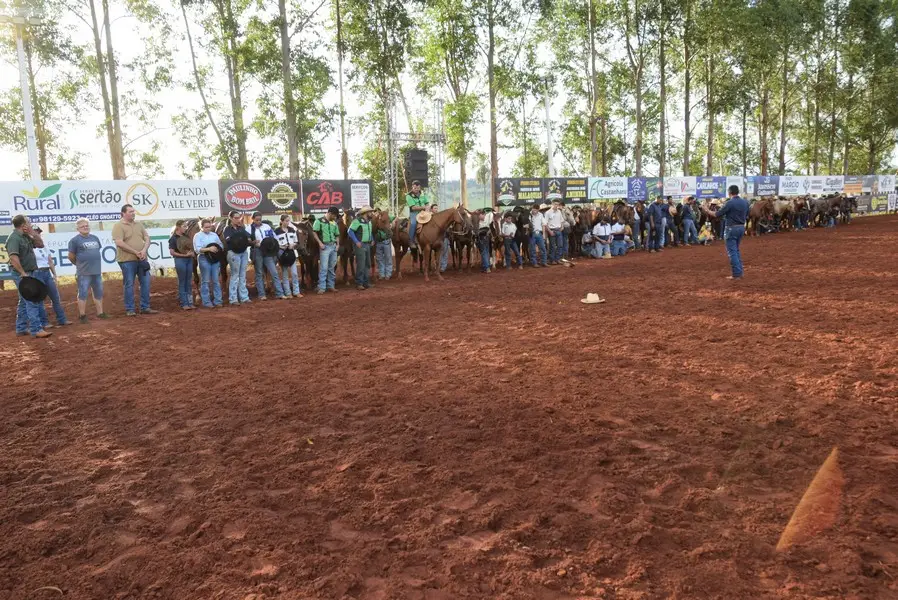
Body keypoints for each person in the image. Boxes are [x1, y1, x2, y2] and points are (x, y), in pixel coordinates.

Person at [7, 215, 52, 338]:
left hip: (29, 272)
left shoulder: (26, 236)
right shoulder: (14, 238)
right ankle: (35, 329)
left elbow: (40, 244)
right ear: (23, 225)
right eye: (29, 223)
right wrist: (23, 273)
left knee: (24, 301)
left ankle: (20, 328)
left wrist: (32, 232)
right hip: (22, 274)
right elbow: (13, 257)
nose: (31, 224)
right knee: (32, 299)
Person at [112, 204, 157, 316]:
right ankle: (130, 309)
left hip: (141, 259)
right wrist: (135, 252)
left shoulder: (139, 224)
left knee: (146, 283)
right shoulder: (118, 226)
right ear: (123, 213)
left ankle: (145, 307)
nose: (133, 213)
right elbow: (119, 243)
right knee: (129, 284)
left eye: (133, 211)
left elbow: (147, 238)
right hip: (127, 260)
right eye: (130, 211)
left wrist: (144, 250)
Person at [702, 184, 750, 280]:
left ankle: (736, 274)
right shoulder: (745, 202)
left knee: (732, 252)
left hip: (731, 228)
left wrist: (706, 210)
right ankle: (739, 272)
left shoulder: (729, 203)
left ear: (729, 192)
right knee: (736, 250)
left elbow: (716, 214)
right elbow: (747, 215)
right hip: (741, 227)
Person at [68, 219, 108, 322]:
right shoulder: (74, 240)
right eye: (83, 226)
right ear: (78, 229)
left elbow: (96, 251)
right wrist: (79, 265)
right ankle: (82, 315)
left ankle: (100, 313)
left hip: (96, 271)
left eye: (87, 225)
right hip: (83, 272)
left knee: (98, 292)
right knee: (83, 293)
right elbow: (71, 256)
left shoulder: (95, 238)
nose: (85, 227)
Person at [32, 226, 70, 328]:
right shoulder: (29, 247)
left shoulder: (44, 246)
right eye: (35, 232)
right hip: (36, 272)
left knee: (55, 297)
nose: (37, 234)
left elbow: (50, 261)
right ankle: (44, 322)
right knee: (40, 299)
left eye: (38, 232)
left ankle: (62, 319)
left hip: (46, 272)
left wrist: (54, 274)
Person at [248, 211, 286, 300]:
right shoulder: (249, 228)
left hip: (268, 251)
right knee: (259, 273)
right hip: (257, 250)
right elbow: (247, 240)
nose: (259, 221)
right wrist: (252, 242)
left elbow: (274, 237)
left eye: (260, 220)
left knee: (274, 272)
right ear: (252, 219)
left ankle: (279, 293)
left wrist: (277, 245)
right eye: (257, 220)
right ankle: (262, 294)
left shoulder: (267, 226)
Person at [193, 218, 224, 308]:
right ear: (201, 227)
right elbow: (197, 249)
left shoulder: (214, 235)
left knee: (216, 280)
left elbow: (220, 245)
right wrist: (209, 249)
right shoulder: (197, 236)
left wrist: (217, 248)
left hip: (214, 258)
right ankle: (206, 302)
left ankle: (218, 301)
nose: (208, 229)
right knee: (205, 281)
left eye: (209, 227)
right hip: (204, 258)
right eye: (206, 227)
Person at [222, 211, 252, 305]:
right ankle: (233, 298)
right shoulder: (227, 229)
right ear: (230, 218)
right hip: (233, 253)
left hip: (243, 252)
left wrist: (249, 240)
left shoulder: (241, 228)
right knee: (235, 275)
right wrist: (243, 239)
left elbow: (249, 237)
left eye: (238, 217)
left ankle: (244, 297)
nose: (237, 219)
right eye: (235, 218)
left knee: (242, 275)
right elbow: (228, 240)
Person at [313, 206, 341, 294]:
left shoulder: (334, 223)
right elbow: (314, 232)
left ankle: (331, 286)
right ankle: (321, 287)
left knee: (331, 267)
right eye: (335, 215)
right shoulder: (319, 221)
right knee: (324, 267)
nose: (335, 217)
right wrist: (320, 243)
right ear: (330, 213)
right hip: (324, 246)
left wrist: (338, 244)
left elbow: (337, 235)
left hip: (333, 246)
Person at [169, 220, 195, 310]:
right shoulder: (173, 238)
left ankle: (190, 302)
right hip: (180, 260)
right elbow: (172, 252)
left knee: (188, 281)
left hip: (188, 260)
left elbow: (191, 247)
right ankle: (184, 303)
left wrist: (191, 253)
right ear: (178, 227)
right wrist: (185, 255)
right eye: (184, 226)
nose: (186, 228)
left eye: (186, 226)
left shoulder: (186, 236)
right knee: (183, 281)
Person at [275, 214, 303, 298]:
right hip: (282, 253)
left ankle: (296, 291)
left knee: (294, 273)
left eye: (288, 221)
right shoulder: (276, 231)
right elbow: (275, 243)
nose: (288, 223)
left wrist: (293, 245)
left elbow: (296, 241)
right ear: (281, 221)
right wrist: (281, 246)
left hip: (291, 253)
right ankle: (288, 292)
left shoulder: (292, 230)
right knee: (285, 274)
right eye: (286, 221)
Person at [348, 206, 375, 290]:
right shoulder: (357, 221)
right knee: (361, 264)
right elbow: (350, 231)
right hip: (361, 245)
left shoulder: (369, 222)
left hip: (367, 244)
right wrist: (356, 242)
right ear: (366, 213)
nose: (372, 213)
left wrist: (372, 239)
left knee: (367, 264)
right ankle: (359, 283)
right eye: (370, 212)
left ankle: (365, 282)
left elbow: (370, 232)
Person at [405, 180, 428, 249]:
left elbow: (427, 203)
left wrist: (428, 207)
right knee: (413, 223)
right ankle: (410, 240)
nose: (416, 189)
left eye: (418, 188)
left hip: (424, 212)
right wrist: (423, 207)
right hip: (414, 213)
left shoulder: (422, 194)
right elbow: (413, 207)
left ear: (420, 187)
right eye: (415, 188)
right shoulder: (408, 196)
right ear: (412, 187)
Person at [374, 210, 394, 280]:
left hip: (385, 241)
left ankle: (387, 274)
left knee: (387, 258)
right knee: (380, 259)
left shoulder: (386, 217)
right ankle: (383, 274)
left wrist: (393, 223)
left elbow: (395, 218)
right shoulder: (376, 220)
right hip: (380, 241)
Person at [545, 199, 564, 264]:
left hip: (558, 230)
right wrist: (550, 231)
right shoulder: (548, 212)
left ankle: (557, 259)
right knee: (552, 246)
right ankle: (552, 260)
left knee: (560, 245)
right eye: (555, 204)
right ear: (552, 204)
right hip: (552, 230)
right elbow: (545, 224)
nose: (556, 206)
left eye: (558, 204)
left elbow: (562, 220)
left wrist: (562, 227)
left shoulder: (559, 212)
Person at [476, 207, 493, 273]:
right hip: (484, 238)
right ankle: (485, 266)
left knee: (484, 252)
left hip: (483, 238)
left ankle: (487, 267)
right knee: (485, 252)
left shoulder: (482, 222)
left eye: (479, 215)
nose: (479, 216)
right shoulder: (482, 221)